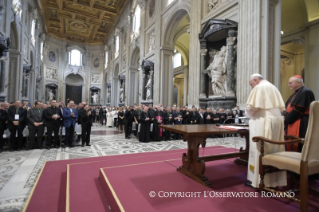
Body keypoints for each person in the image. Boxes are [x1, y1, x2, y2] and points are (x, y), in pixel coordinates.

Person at [245, 73, 287, 189]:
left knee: (260, 149)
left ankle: (258, 181)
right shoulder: (273, 87)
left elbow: (251, 108)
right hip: (276, 121)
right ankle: (274, 181)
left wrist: (247, 114)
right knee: (274, 150)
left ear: (255, 80)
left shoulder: (259, 88)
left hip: (262, 122)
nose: (251, 87)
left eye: (251, 84)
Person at [285, 75, 315, 152]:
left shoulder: (306, 91)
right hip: (294, 120)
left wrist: (287, 119)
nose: (289, 85)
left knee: (300, 143)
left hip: (301, 121)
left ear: (298, 83)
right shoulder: (295, 93)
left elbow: (299, 109)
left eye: (290, 83)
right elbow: (287, 106)